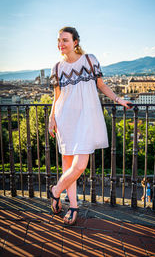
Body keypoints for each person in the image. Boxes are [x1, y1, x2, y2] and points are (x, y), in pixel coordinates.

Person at [48, 26, 132, 225]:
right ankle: (74, 206)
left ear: (75, 42)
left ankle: (55, 191)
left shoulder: (90, 60)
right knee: (68, 165)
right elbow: (56, 96)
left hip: (86, 118)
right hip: (64, 117)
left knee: (79, 165)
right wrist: (52, 119)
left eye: (65, 40)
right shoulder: (57, 68)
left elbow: (101, 85)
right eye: (59, 40)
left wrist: (118, 99)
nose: (60, 44)